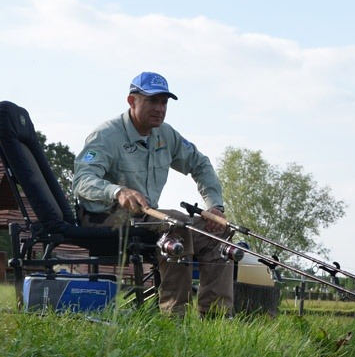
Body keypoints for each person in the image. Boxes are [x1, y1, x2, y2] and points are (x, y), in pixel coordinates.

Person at [73, 71, 234, 317]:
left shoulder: (166, 135)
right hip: (105, 218)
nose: (160, 108)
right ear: (132, 101)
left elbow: (200, 164)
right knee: (176, 223)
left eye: (164, 102)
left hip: (148, 219)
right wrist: (118, 191)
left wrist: (215, 207)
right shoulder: (106, 136)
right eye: (152, 101)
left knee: (217, 233)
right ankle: (174, 316)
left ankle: (217, 318)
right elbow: (82, 181)